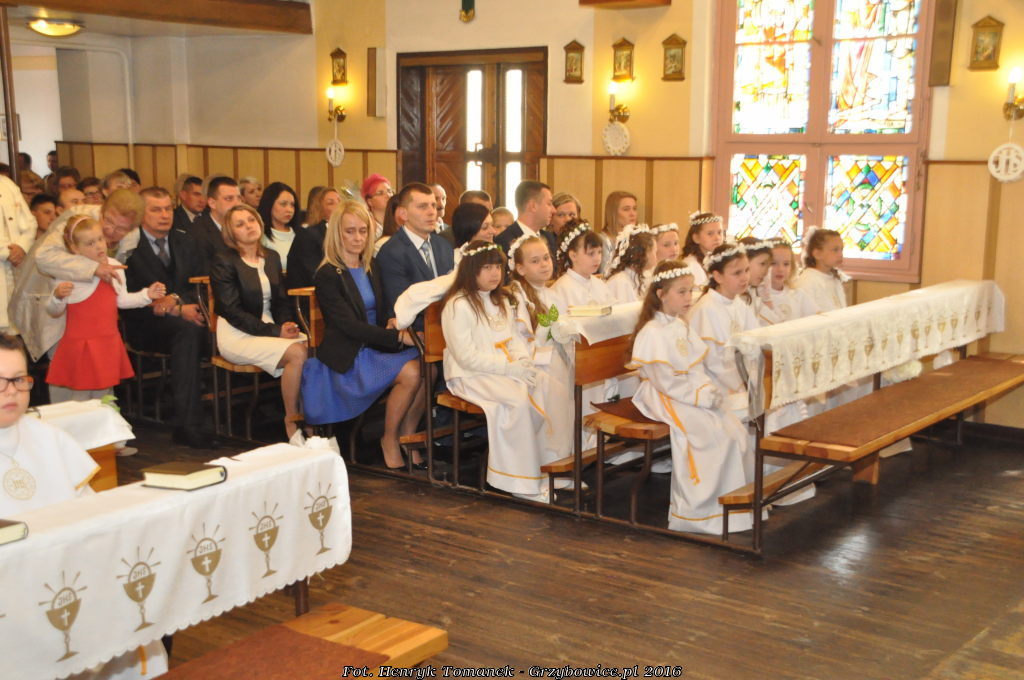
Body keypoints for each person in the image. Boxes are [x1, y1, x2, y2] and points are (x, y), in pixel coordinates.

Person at [0, 334, 171, 677]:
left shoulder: (49, 438)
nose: (12, 391)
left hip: (66, 574)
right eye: (0, 382)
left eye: (19, 379)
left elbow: (92, 513)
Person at [628, 260, 755, 534]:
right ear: (661, 295)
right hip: (662, 395)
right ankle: (699, 513)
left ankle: (734, 510)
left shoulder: (679, 325)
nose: (689, 298)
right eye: (682, 292)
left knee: (734, 430)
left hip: (687, 392)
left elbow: (695, 367)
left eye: (691, 291)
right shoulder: (652, 332)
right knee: (708, 436)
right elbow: (665, 381)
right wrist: (699, 397)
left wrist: (708, 389)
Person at [308, 201, 424, 468]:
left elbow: (380, 311)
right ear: (336, 234)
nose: (358, 238)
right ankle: (389, 438)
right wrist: (397, 337)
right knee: (412, 372)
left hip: (376, 345)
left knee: (429, 366)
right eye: (350, 231)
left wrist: (393, 322)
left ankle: (407, 435)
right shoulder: (327, 274)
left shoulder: (371, 266)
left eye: (363, 231)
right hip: (351, 354)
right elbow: (349, 326)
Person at [440, 240, 555, 503]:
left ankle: (544, 468)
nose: (495, 273)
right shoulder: (458, 305)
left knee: (545, 385)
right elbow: (466, 356)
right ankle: (518, 480)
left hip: (505, 369)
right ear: (471, 269)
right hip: (470, 375)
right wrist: (508, 367)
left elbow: (514, 338)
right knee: (516, 401)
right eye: (487, 267)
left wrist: (523, 361)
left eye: (498, 267)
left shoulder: (502, 299)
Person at [122, 187, 211, 449]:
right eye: (156, 209)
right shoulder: (129, 246)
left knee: (193, 329)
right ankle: (188, 425)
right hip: (144, 322)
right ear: (141, 214)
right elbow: (124, 294)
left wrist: (177, 301)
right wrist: (167, 307)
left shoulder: (185, 240)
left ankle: (194, 419)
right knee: (188, 332)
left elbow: (201, 282)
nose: (164, 215)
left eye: (168, 209)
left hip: (186, 314)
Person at [11, 189, 142, 364]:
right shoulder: (77, 218)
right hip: (52, 297)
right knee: (66, 367)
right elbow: (44, 257)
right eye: (108, 220)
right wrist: (93, 268)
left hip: (92, 314)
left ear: (131, 228)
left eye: (121, 229)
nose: (110, 230)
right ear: (102, 209)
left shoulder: (132, 237)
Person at [211, 204, 307, 438]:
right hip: (237, 334)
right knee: (298, 353)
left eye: (251, 220)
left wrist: (286, 324)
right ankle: (292, 422)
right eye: (240, 224)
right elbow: (232, 311)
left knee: (314, 346)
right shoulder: (224, 260)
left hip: (270, 328)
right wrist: (275, 331)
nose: (248, 226)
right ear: (231, 232)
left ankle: (312, 419)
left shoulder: (271, 257)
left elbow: (281, 301)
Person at [45, 216, 165, 402]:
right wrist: (57, 296)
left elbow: (122, 301)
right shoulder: (69, 271)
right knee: (81, 396)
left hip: (106, 342)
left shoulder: (115, 266)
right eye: (90, 243)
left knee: (106, 395)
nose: (99, 246)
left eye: (100, 239)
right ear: (75, 248)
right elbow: (54, 311)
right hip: (80, 345)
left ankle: (107, 420)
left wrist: (146, 295)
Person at [508, 234, 576, 476]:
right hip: (534, 366)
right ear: (520, 268)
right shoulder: (517, 297)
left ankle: (562, 463)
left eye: (546, 258)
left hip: (555, 361)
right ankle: (544, 468)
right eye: (535, 261)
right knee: (551, 398)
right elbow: (519, 338)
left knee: (567, 404)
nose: (544, 265)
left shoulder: (552, 293)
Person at [686, 243, 757, 423]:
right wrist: (745, 383)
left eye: (746, 270)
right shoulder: (707, 309)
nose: (744, 277)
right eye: (737, 273)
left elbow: (756, 339)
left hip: (740, 376)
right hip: (716, 383)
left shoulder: (738, 303)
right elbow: (713, 361)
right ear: (717, 276)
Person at [375, 182, 455, 326]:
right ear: (403, 214)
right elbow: (401, 306)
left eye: (433, 205)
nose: (431, 212)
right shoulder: (392, 252)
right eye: (422, 206)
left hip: (451, 325)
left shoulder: (443, 245)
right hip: (417, 331)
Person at [0, 174, 37, 333]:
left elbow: (30, 222)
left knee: (16, 328)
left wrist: (22, 246)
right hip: (6, 257)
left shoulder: (6, 183)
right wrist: (6, 252)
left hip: (16, 264)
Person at [549, 220, 614, 310]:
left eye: (599, 252)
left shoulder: (600, 285)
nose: (597, 258)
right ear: (573, 256)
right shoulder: (560, 290)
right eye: (591, 253)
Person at [187, 175, 241, 273]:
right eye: (229, 199)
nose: (237, 204)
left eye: (239, 198)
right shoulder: (198, 233)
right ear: (212, 203)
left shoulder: (242, 227)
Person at [495, 181, 557, 261]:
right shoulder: (503, 241)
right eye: (549, 204)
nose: (554, 210)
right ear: (533, 206)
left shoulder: (549, 238)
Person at [794, 226, 849, 312]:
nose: (840, 254)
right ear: (817, 254)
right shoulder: (807, 282)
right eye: (835, 250)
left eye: (841, 249)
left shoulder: (834, 278)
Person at [767, 239, 818, 321]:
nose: (780, 269)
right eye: (773, 263)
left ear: (792, 266)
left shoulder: (798, 295)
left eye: (786, 264)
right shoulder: (757, 297)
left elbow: (817, 319)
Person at [606, 224, 656, 304]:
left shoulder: (638, 278)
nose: (656, 256)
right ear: (643, 253)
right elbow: (623, 310)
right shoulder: (621, 282)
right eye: (654, 251)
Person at [257, 182, 301, 270]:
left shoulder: (302, 233)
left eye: (292, 205)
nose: (289, 210)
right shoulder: (259, 235)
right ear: (269, 204)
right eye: (283, 204)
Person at [738, 236, 781, 326]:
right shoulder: (736, 297)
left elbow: (776, 323)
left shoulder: (752, 292)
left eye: (768, 266)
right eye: (762, 264)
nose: (766, 271)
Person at [596, 191, 638, 276]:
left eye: (634, 208)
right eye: (626, 209)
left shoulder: (637, 239)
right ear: (613, 213)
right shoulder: (602, 240)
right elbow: (605, 274)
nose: (632, 214)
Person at [681, 211, 725, 289]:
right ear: (696, 238)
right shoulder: (691, 265)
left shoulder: (721, 260)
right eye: (710, 233)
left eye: (719, 232)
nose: (717, 238)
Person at [361, 174, 393, 238]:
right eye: (380, 193)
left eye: (389, 191)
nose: (388, 195)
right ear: (370, 202)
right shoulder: (367, 226)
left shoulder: (398, 221)